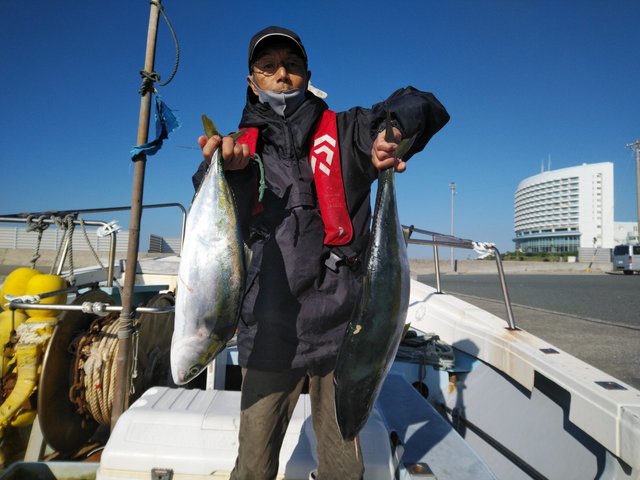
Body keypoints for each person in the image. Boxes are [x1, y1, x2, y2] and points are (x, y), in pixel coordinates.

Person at [193, 26, 449, 480]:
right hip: (268, 332)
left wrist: (393, 130)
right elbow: (209, 212)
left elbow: (421, 103)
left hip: (342, 334)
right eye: (268, 67)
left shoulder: (349, 132)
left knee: (343, 467)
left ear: (307, 74)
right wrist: (224, 170)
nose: (282, 75)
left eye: (291, 66)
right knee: (252, 465)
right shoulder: (238, 149)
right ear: (251, 80)